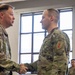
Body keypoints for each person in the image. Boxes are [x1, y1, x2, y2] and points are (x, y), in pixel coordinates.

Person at [24, 8, 70, 75]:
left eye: (43, 17)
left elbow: (60, 65)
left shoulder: (58, 35)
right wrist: (26, 66)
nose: (41, 21)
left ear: (51, 18)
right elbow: (44, 61)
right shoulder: (50, 37)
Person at [0, 4, 27, 75]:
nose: (14, 18)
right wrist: (18, 67)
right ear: (2, 15)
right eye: (11, 14)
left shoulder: (3, 32)